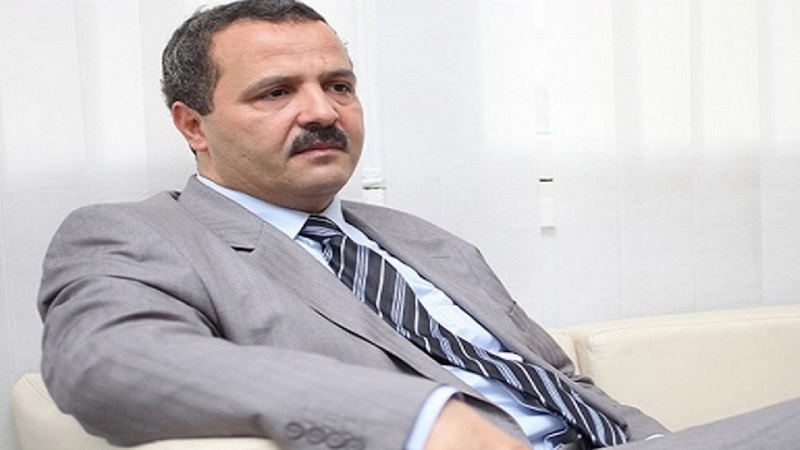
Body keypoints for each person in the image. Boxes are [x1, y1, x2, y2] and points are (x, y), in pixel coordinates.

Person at [37, 1, 800, 449]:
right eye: (276, 92)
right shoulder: (136, 236)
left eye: (339, 85)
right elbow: (107, 361)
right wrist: (421, 417)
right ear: (192, 124)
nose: (322, 111)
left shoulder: (421, 240)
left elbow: (557, 381)